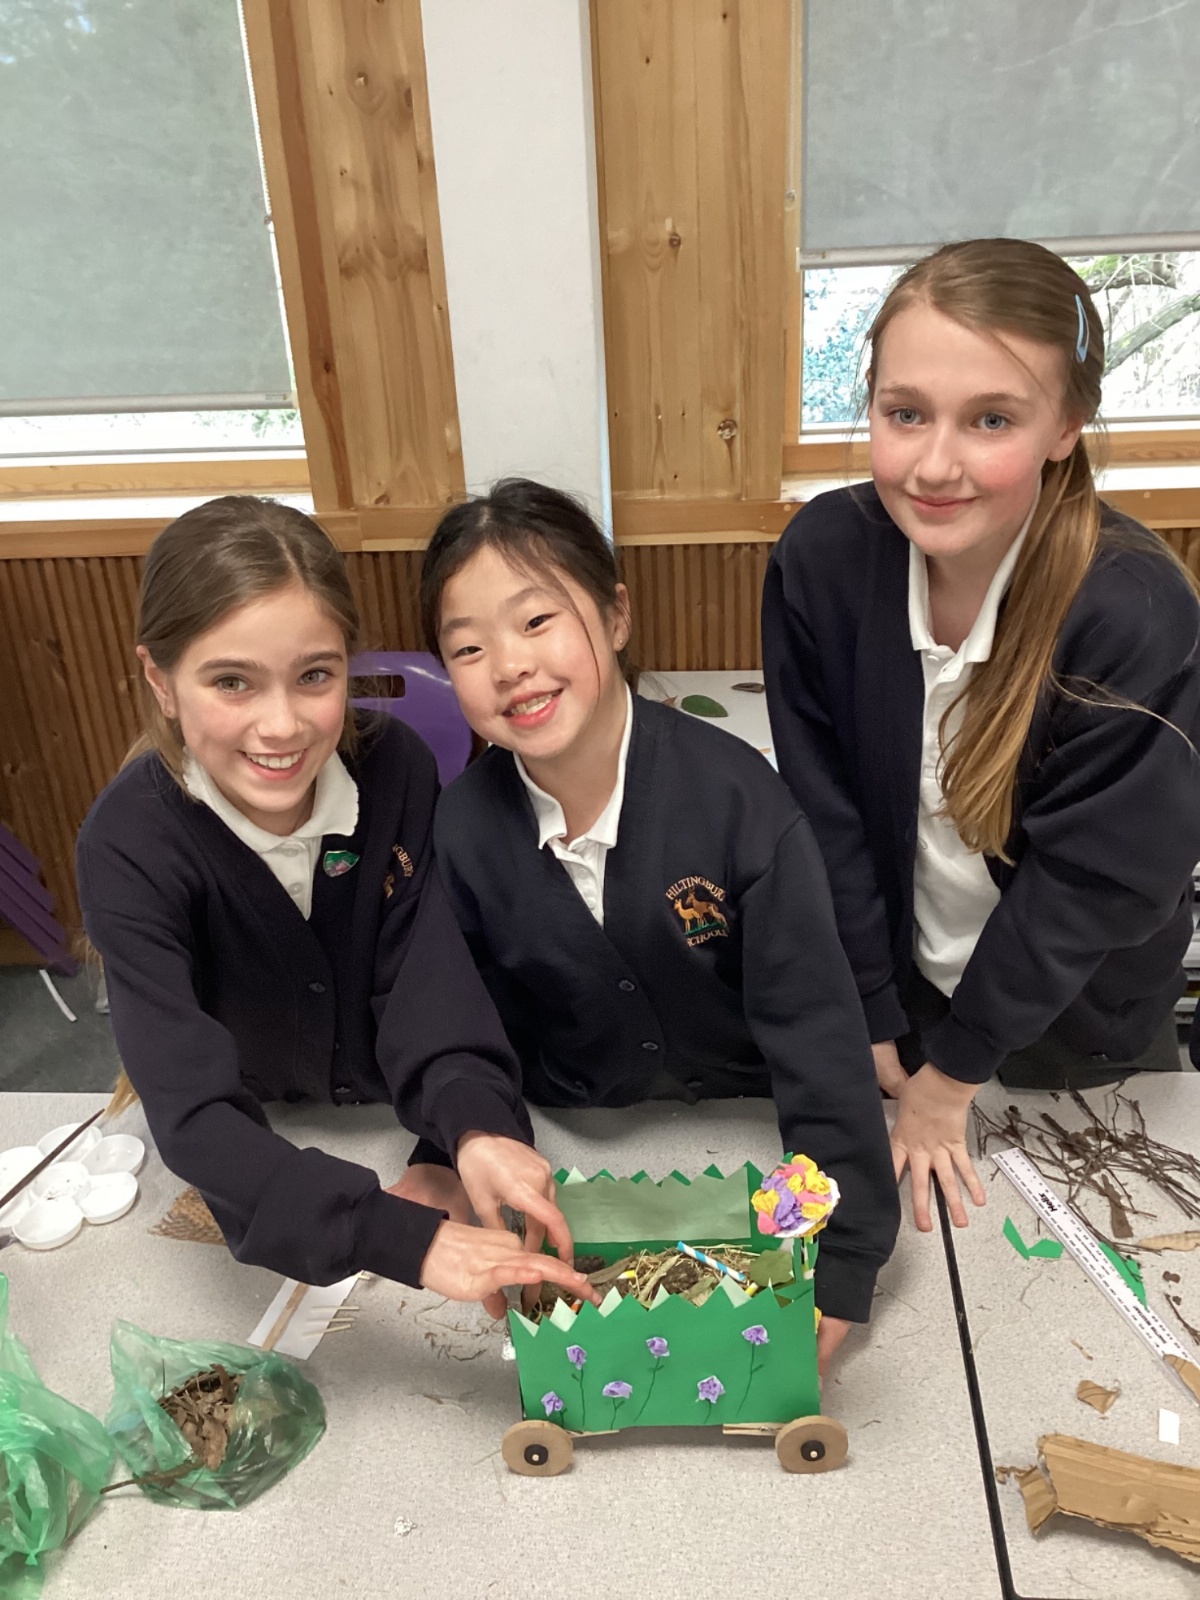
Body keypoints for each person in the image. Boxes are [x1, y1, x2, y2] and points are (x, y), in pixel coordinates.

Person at [761, 239, 1200, 1235]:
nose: (934, 464)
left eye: (991, 419)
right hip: (905, 996)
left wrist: (953, 1077)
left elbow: (1092, 886)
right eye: (904, 413)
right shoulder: (822, 561)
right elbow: (824, 806)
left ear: (1065, 427)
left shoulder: (1134, 612)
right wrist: (871, 1003)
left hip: (1078, 1023)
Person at [421, 478, 899, 1373]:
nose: (510, 665)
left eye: (537, 621)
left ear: (615, 616)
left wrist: (844, 1255)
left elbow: (818, 1040)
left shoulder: (742, 804)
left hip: (751, 1126)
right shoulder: (460, 829)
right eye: (468, 647)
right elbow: (460, 1022)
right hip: (569, 1140)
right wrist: (449, 1148)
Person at [77, 495, 596, 1316]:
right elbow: (194, 1112)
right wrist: (393, 1236)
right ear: (160, 682)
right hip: (267, 1148)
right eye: (232, 682)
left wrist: (467, 1133)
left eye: (314, 676)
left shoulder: (397, 769)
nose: (282, 726)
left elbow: (429, 984)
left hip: (391, 1123)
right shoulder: (127, 842)